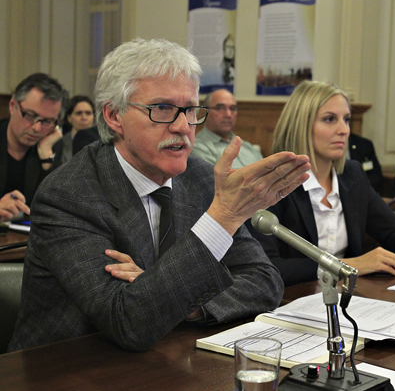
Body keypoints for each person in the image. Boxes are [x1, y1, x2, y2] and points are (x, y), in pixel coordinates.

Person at [9, 38, 310, 352]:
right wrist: (222, 219)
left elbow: (264, 282)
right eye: (163, 109)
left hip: (168, 358)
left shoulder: (201, 177)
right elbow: (128, 319)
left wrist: (182, 301)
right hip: (65, 368)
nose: (183, 126)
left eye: (191, 110)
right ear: (114, 116)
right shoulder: (68, 195)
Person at [246, 81, 395, 286]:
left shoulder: (352, 175)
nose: (344, 130)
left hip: (349, 299)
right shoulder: (270, 184)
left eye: (347, 119)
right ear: (301, 125)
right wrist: (346, 266)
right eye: (330, 119)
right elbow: (268, 268)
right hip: (292, 303)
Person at [0, 73, 66, 222]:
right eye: (30, 115)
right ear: (12, 106)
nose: (37, 128)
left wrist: (46, 157)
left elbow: (58, 207)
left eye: (48, 121)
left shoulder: (51, 145)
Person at [191, 89, 263, 168]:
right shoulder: (197, 147)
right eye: (219, 108)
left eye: (232, 108)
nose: (228, 114)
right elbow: (214, 179)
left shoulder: (249, 148)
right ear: (205, 112)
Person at [57, 95, 95, 163]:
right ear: (69, 118)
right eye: (79, 113)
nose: (84, 118)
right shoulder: (60, 144)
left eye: (88, 113)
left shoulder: (103, 142)